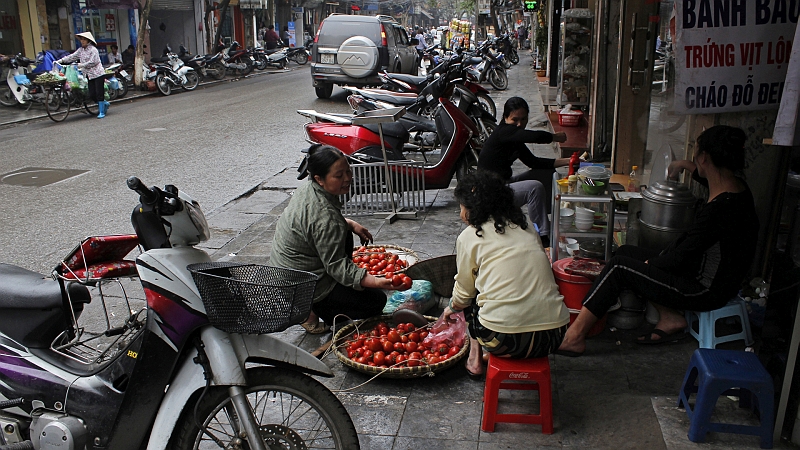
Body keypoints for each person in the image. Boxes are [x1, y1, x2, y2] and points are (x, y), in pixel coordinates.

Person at [557, 125, 759, 356]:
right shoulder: (737, 190)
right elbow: (706, 177)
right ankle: (670, 317)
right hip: (714, 277)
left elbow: (681, 256)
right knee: (626, 252)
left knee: (619, 267)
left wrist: (651, 266)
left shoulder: (719, 211)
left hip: (705, 290)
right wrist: (681, 165)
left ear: (704, 157)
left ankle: (575, 337)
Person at [440, 171, 570, 378]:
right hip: (554, 336)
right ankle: (487, 354)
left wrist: (451, 308)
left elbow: (463, 293)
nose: (460, 213)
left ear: (474, 208)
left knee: (470, 296)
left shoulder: (469, 237)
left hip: (501, 339)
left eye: (462, 207)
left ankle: (474, 359)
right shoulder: (526, 226)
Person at [270, 145, 394, 334]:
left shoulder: (309, 189)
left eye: (348, 172)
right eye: (339, 175)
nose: (347, 179)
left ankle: (313, 301)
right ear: (319, 179)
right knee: (377, 301)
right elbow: (336, 265)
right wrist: (377, 282)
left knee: (343, 235)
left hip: (286, 273)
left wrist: (351, 224)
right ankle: (311, 310)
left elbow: (320, 224)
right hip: (302, 284)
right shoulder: (326, 218)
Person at [477, 96, 570, 248]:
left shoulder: (514, 139)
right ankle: (542, 236)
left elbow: (534, 162)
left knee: (546, 173)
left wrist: (569, 160)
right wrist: (554, 137)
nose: (519, 124)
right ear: (505, 118)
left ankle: (544, 219)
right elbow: (532, 136)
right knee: (534, 188)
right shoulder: (503, 132)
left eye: (523, 119)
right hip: (491, 193)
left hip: (505, 183)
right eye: (515, 120)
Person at [56, 32, 109, 119]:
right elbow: (72, 57)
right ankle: (104, 103)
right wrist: (61, 61)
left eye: (84, 39)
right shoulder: (81, 50)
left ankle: (101, 111)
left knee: (99, 92)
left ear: (88, 40)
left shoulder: (93, 50)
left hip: (98, 73)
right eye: (81, 39)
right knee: (92, 93)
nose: (82, 41)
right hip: (89, 74)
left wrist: (83, 65)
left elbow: (93, 61)